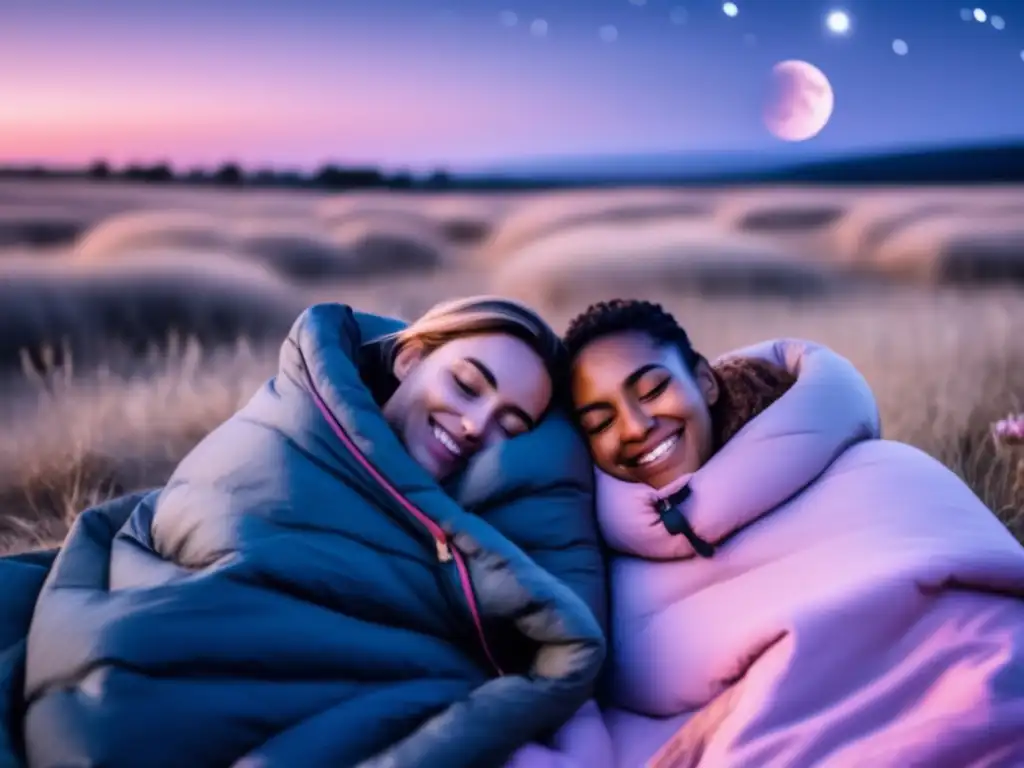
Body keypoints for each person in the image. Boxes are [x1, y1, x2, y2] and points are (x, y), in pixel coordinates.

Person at [4, 297, 607, 768]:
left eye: (511, 424)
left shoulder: (467, 515)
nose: (477, 425)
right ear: (409, 358)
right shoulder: (294, 426)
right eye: (467, 386)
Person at [563, 298, 1024, 767]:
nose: (636, 427)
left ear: (704, 380)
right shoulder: (602, 569)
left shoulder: (875, 469)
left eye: (653, 389)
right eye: (601, 422)